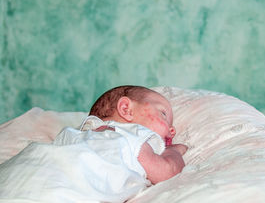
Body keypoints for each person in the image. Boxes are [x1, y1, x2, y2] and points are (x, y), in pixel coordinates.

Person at [0, 85, 188, 203]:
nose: (172, 131)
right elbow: (167, 171)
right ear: (126, 109)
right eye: (164, 115)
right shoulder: (132, 136)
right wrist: (173, 151)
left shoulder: (76, 135)